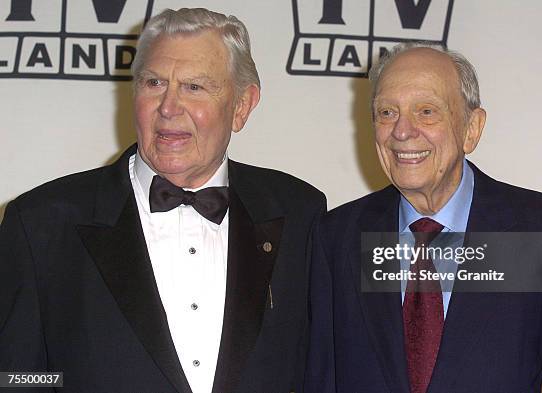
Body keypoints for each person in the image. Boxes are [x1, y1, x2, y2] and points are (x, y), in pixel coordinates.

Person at [0, 8, 325, 393]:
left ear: (241, 106)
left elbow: (317, 371)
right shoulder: (40, 223)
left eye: (194, 87)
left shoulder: (300, 212)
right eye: (154, 83)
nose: (169, 107)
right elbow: (17, 379)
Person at [305, 42, 542, 392]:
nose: (402, 131)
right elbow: (322, 381)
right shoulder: (338, 237)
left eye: (426, 111)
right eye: (387, 112)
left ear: (472, 129)